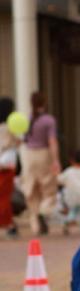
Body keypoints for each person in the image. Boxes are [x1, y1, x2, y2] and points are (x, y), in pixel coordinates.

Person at [19, 91, 61, 236]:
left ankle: (35, 225)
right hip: (43, 154)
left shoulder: (27, 119)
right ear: (44, 102)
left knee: (32, 191)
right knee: (49, 189)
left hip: (28, 156)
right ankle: (44, 211)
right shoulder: (49, 120)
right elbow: (52, 141)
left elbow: (23, 140)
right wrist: (56, 160)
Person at [56, 150, 80, 235]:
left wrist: (56, 173)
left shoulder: (69, 171)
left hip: (71, 198)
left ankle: (69, 220)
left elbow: (59, 180)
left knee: (72, 209)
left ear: (71, 160)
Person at [0, 97, 21, 238]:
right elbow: (18, 142)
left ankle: (8, 223)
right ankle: (7, 224)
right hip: (8, 163)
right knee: (5, 195)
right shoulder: (10, 127)